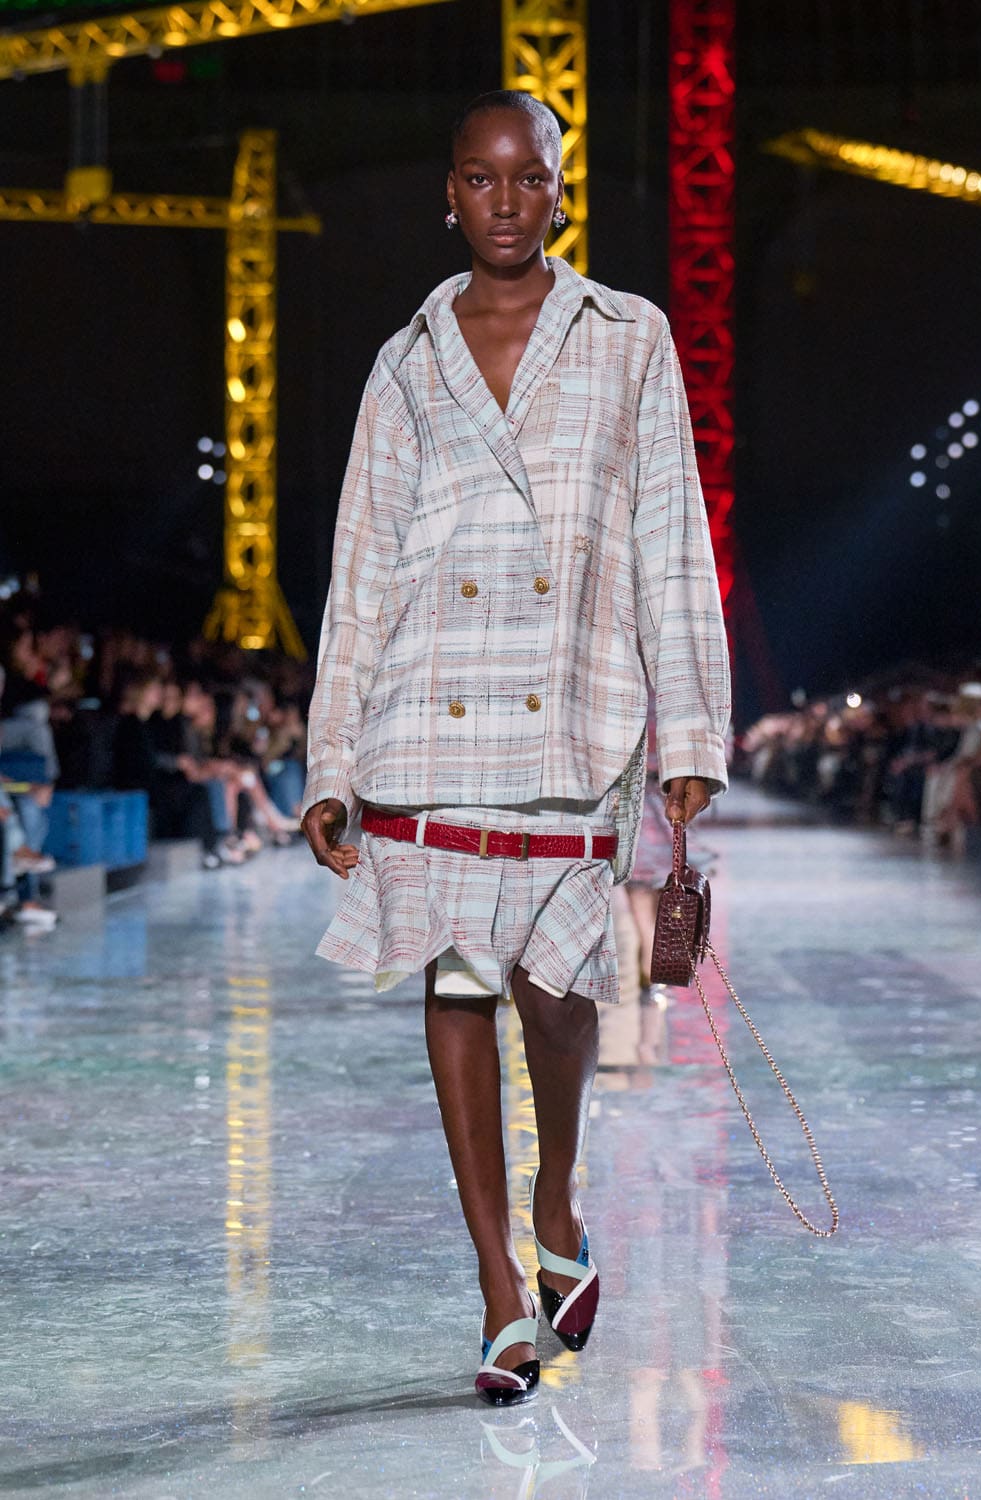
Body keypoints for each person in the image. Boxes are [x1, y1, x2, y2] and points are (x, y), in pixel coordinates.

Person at [301, 91, 730, 1405]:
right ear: (450, 195)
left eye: (527, 178)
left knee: (558, 989)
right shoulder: (405, 361)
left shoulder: (628, 336)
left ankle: (556, 1202)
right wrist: (330, 761)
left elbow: (671, 535)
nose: (504, 201)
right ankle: (498, 1286)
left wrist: (689, 728)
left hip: (570, 708)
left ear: (557, 188)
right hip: (427, 710)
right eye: (479, 180)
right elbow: (361, 568)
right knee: (459, 977)